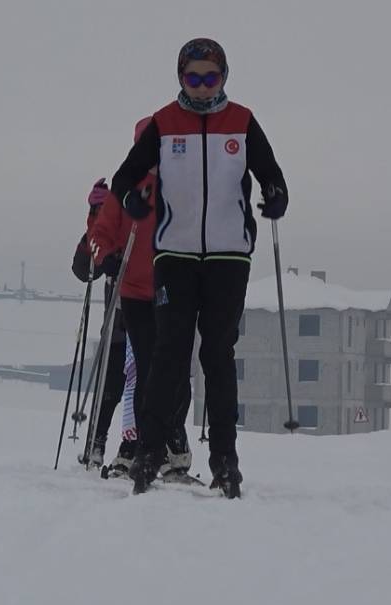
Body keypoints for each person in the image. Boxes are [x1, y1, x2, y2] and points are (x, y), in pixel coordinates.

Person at [109, 38, 288, 497]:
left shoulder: (242, 122)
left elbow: (271, 174)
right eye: (195, 77)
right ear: (181, 77)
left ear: (224, 77)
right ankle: (149, 451)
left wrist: (276, 195)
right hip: (176, 255)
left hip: (229, 255)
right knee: (169, 353)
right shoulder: (166, 122)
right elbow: (126, 176)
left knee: (217, 354)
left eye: (212, 77)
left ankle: (225, 459)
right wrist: (131, 197)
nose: (204, 86)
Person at [90, 117, 195, 481]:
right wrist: (106, 256)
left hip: (173, 290)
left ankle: (173, 448)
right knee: (146, 371)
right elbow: (100, 234)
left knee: (176, 370)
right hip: (134, 292)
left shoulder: (179, 186)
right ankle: (139, 447)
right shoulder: (127, 187)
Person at [70, 179, 128, 468]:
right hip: (119, 318)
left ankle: (149, 449)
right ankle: (96, 444)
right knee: (111, 384)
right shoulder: (113, 221)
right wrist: (97, 218)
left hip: (149, 313)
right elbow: (83, 268)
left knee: (145, 385)